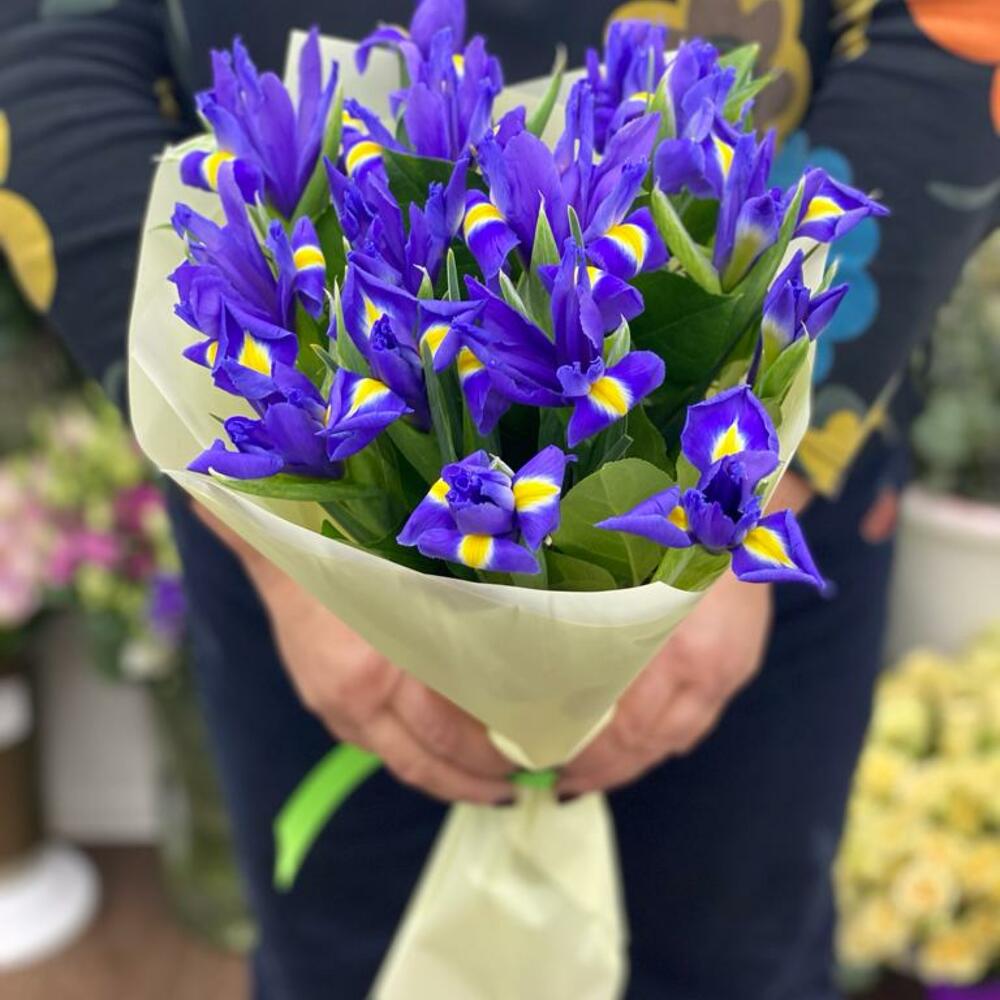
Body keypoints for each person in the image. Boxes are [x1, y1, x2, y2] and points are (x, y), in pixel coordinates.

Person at [1, 1, 997, 997]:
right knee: (355, 964)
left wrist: (740, 523)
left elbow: (958, 29)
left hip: (765, 501)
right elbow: (40, 42)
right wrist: (294, 557)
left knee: (731, 960)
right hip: (307, 539)